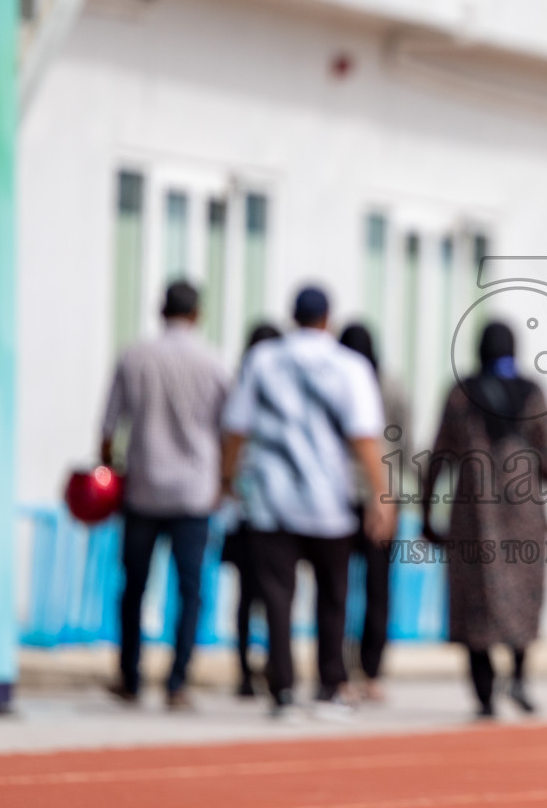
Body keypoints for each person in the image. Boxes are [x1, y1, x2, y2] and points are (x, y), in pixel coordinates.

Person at [220, 286, 396, 719]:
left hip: (271, 500)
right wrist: (381, 495)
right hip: (328, 502)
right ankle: (330, 684)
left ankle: (281, 688)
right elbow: (365, 438)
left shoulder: (262, 360)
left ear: (292, 316)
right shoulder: (349, 366)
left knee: (277, 596)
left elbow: (237, 427)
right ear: (327, 319)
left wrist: (227, 479)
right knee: (332, 597)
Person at [421, 322, 547, 719]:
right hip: (524, 515)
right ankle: (520, 678)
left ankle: (484, 694)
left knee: (474, 602)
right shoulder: (532, 394)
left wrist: (425, 511)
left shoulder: (460, 394)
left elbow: (438, 455)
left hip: (474, 515)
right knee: (523, 599)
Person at [99, 280, 231, 711]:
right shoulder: (213, 364)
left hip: (143, 488)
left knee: (134, 587)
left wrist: (113, 473)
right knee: (189, 590)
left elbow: (107, 428)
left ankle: (130, 676)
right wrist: (224, 482)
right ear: (197, 314)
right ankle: (177, 682)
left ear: (161, 311)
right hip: (194, 492)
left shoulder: (135, 356)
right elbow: (230, 431)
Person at [338, 322, 410, 702]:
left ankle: (337, 670)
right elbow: (405, 446)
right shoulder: (391, 387)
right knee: (378, 589)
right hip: (382, 497)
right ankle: (370, 671)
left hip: (338, 496)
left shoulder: (334, 385)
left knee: (335, 588)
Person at [223, 321, 282, 698]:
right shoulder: (281, 393)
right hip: (274, 508)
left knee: (247, 596)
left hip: (245, 508)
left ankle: (247, 670)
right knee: (277, 593)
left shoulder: (238, 389)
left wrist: (226, 484)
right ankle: (272, 667)